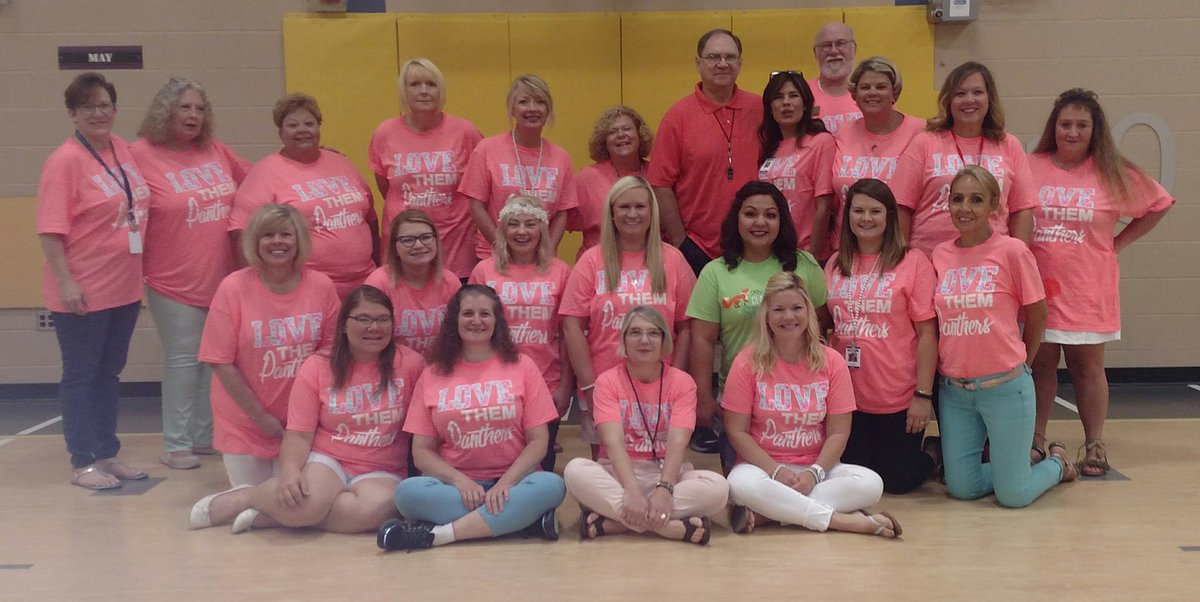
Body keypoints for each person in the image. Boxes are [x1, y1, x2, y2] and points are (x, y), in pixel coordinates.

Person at [189, 286, 424, 534]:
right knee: (306, 503)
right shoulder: (318, 366)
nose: (374, 327)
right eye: (363, 319)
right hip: (329, 460)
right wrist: (290, 471)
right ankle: (247, 496)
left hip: (382, 467)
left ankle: (271, 517)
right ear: (344, 325)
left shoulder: (410, 364)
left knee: (372, 511)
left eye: (382, 319)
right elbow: (300, 434)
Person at [1027, 89, 1174, 475]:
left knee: (1087, 367)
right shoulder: (1030, 165)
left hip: (1087, 287)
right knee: (1039, 365)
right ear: (1053, 127)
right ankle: (1035, 438)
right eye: (1065, 124)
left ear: (1095, 130)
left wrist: (1117, 243)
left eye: (1082, 125)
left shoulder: (1111, 171)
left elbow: (1159, 203)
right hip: (1038, 286)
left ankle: (1094, 443)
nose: (1072, 132)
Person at [378, 285, 566, 551]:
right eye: (467, 313)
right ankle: (521, 521)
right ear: (454, 320)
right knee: (407, 494)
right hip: (457, 487)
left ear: (497, 321)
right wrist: (460, 481)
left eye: (484, 314)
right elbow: (421, 453)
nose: (476, 321)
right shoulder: (432, 373)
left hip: (514, 483)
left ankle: (439, 535)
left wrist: (505, 484)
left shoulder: (523, 366)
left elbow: (538, 442)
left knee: (552, 485)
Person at [932, 166, 1077, 508]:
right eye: (957, 199)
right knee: (961, 488)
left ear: (994, 206)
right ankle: (1015, 471)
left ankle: (1057, 464)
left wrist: (1023, 364)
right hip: (955, 392)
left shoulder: (1012, 251)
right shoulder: (940, 255)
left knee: (1013, 496)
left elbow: (1038, 313)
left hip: (1006, 387)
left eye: (976, 200)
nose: (965, 208)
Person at [131, 77, 251, 471]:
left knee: (214, 361)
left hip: (221, 276)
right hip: (171, 279)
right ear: (166, 111)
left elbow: (256, 179)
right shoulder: (140, 154)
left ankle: (203, 436)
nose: (193, 115)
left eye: (200, 109)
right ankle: (175, 443)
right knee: (183, 360)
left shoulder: (215, 150)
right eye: (185, 107)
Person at [38, 72, 151, 490]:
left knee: (109, 374)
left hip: (123, 287)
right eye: (88, 107)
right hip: (83, 289)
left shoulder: (122, 148)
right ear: (73, 113)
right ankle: (82, 461)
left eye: (105, 105)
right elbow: (50, 230)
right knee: (82, 376)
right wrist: (66, 281)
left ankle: (107, 453)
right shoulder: (64, 161)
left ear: (115, 110)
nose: (99, 113)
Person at [723, 272, 900, 538]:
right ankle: (847, 522)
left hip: (817, 468)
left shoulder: (832, 361)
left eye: (797, 308)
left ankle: (769, 514)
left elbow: (839, 432)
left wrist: (814, 474)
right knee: (739, 485)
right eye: (779, 310)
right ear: (766, 315)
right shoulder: (746, 362)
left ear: (808, 311)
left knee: (871, 484)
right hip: (762, 468)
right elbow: (737, 432)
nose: (789, 317)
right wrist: (776, 470)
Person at [199, 204, 340, 487]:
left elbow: (330, 355)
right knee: (254, 500)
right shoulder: (233, 287)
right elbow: (220, 362)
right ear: (255, 241)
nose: (277, 242)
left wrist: (305, 417)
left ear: (299, 240)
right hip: (245, 423)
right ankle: (213, 506)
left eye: (286, 234)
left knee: (297, 499)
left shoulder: (321, 285)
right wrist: (261, 418)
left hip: (304, 425)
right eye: (268, 235)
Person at [564, 307, 728, 545]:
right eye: (635, 332)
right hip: (619, 475)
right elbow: (613, 443)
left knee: (719, 488)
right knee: (575, 471)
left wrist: (665, 489)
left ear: (664, 341)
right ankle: (668, 527)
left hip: (667, 475)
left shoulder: (683, 383)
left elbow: (678, 442)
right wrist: (631, 490)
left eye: (653, 333)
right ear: (624, 341)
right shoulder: (607, 382)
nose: (644, 340)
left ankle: (616, 523)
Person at [686, 181, 828, 456]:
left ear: (782, 221)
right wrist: (702, 396)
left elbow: (821, 325)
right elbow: (702, 340)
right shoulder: (715, 273)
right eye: (750, 214)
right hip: (740, 402)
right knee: (742, 480)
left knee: (798, 476)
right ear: (736, 219)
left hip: (801, 401)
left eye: (770, 215)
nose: (760, 222)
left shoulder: (805, 265)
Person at [561, 176, 696, 459]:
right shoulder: (591, 260)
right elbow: (572, 325)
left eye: (640, 206)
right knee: (605, 467)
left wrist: (679, 377)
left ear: (652, 211)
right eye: (624, 207)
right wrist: (589, 384)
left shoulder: (673, 260)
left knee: (660, 462)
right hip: (603, 382)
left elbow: (687, 327)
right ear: (611, 212)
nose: (632, 214)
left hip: (660, 385)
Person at [825, 178, 938, 493]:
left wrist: (923, 396)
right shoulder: (835, 263)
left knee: (897, 480)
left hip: (897, 396)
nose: (866, 218)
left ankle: (934, 452)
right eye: (858, 210)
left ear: (889, 217)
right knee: (854, 474)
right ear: (847, 215)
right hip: (850, 397)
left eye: (875, 211)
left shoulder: (913, 261)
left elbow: (927, 334)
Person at [230, 93, 378, 298]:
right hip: (306, 291)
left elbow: (370, 218)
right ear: (281, 132)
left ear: (318, 128)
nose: (302, 130)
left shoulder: (342, 162)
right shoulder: (264, 173)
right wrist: (259, 292)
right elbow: (241, 235)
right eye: (293, 125)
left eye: (309, 123)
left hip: (364, 286)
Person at [891, 61, 1038, 256]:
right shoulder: (924, 142)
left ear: (989, 98)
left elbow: (1022, 210)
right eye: (960, 94)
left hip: (992, 262)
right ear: (948, 100)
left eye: (977, 92)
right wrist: (902, 259)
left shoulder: (1009, 145)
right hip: (930, 259)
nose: (969, 100)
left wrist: (1016, 257)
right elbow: (901, 206)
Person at [648, 29, 764, 275]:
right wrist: (681, 240)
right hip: (697, 248)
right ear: (698, 63)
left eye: (730, 57)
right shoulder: (677, 117)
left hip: (755, 245)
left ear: (740, 63)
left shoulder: (760, 109)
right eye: (713, 57)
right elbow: (660, 183)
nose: (722, 64)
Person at [470, 196, 572, 471]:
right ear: (502, 229)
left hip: (546, 381)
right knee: (497, 461)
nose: (522, 231)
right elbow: (471, 332)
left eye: (530, 224)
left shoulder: (561, 272)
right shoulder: (484, 271)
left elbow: (567, 334)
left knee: (541, 463)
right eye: (514, 224)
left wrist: (565, 386)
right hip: (495, 384)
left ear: (543, 229)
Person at [369, 58, 483, 280]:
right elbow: (387, 188)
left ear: (440, 90)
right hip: (404, 253)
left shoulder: (466, 132)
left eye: (431, 84)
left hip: (456, 251)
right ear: (404, 91)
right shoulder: (385, 133)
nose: (423, 91)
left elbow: (480, 190)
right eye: (415, 84)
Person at [460, 74, 577, 259]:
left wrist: (547, 251)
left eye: (540, 102)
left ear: (548, 109)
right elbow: (476, 206)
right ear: (512, 109)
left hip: (541, 261)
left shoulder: (561, 157)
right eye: (524, 102)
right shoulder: (487, 149)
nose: (533, 108)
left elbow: (562, 213)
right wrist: (502, 247)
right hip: (495, 257)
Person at [830, 56, 925, 254]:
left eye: (881, 87)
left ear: (894, 93)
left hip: (899, 248)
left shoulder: (921, 132)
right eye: (865, 87)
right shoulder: (843, 132)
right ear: (854, 95)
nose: (872, 92)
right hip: (847, 250)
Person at [757, 70, 836, 259]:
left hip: (807, 253)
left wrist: (812, 258)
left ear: (805, 103)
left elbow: (823, 206)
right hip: (771, 253)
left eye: (793, 96)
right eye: (778, 97)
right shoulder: (768, 147)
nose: (786, 103)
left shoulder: (821, 142)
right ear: (770, 107)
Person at [364, 209, 460, 355]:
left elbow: (457, 337)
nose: (419, 245)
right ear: (395, 248)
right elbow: (369, 340)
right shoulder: (379, 282)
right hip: (394, 363)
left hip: (440, 363)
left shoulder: (450, 281)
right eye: (408, 240)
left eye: (426, 237)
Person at [570, 105, 654, 258]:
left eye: (627, 129)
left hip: (649, 261)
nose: (621, 135)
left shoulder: (657, 174)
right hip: (598, 263)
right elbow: (559, 216)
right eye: (613, 132)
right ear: (604, 142)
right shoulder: (587, 178)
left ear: (640, 135)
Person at [808, 22, 862, 133]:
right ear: (815, 52)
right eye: (826, 45)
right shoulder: (802, 93)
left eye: (841, 44)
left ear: (854, 49)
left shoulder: (871, 92)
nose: (833, 51)